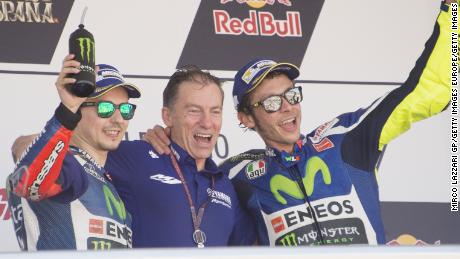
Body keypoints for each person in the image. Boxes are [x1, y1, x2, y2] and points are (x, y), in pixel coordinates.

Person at [144, 1, 453, 246]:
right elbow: (184, 192)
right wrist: (161, 142)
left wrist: (453, 13)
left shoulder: (347, 138)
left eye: (291, 95)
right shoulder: (235, 174)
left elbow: (427, 92)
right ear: (246, 118)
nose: (288, 107)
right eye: (272, 103)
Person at [104, 66, 255, 247]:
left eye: (215, 111)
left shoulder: (225, 184)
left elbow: (252, 248)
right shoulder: (136, 156)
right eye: (194, 110)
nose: (207, 123)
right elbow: (79, 147)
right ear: (167, 117)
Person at [7, 54, 141, 250]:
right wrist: (66, 111)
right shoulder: (66, 165)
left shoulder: (107, 179)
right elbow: (30, 180)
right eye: (105, 108)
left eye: (126, 109)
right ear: (78, 110)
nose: (118, 119)